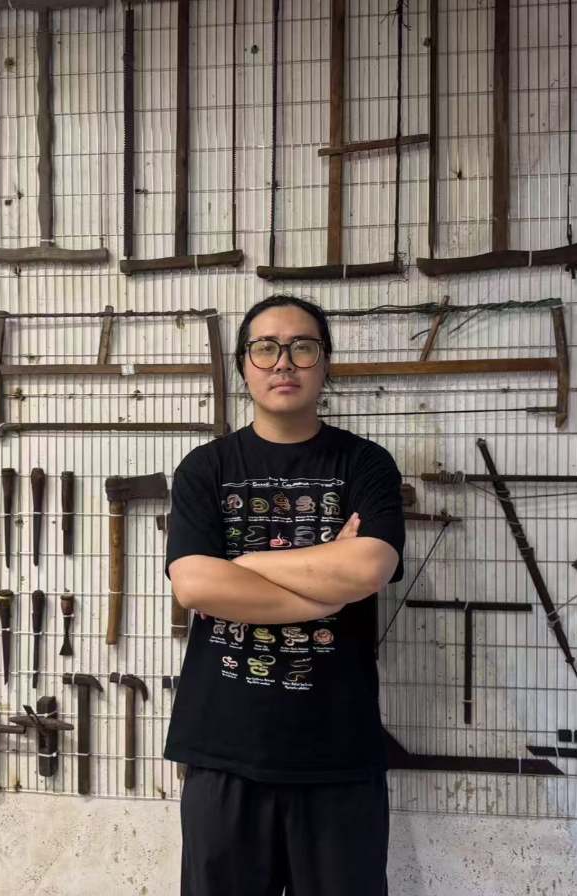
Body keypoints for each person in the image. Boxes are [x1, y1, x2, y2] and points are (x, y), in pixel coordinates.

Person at [164, 295, 406, 896]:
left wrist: (243, 566)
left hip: (338, 751)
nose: (284, 363)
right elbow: (194, 584)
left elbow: (370, 565)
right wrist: (323, 595)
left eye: (303, 347)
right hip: (223, 748)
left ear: (326, 363)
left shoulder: (366, 464)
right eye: (266, 348)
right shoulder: (205, 468)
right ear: (243, 365)